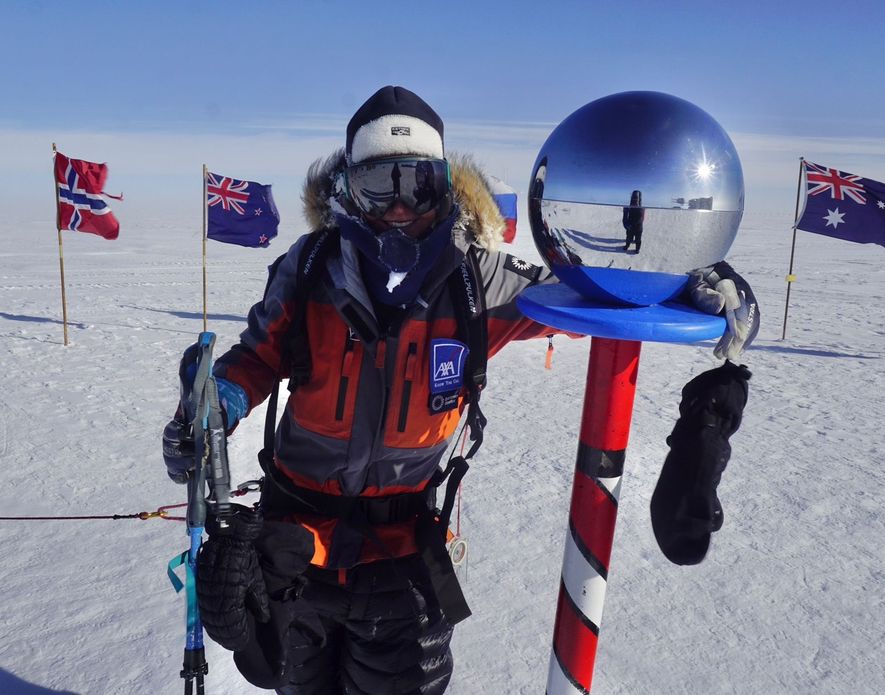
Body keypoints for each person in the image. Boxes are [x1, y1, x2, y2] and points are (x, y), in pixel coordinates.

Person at [162, 85, 759, 694]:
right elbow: (257, 356)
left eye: (416, 184)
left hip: (400, 550)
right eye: (378, 185)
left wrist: (692, 281)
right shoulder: (310, 268)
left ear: (444, 185)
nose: (399, 208)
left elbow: (582, 294)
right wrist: (220, 401)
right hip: (295, 544)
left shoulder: (476, 280)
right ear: (347, 188)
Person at [622, 189, 645, 253]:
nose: (635, 200)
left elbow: (642, 217)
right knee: (629, 238)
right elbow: (625, 217)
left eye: (636, 199)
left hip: (637, 227)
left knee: (638, 239)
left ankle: (637, 249)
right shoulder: (630, 206)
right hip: (631, 225)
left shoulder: (641, 208)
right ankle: (627, 245)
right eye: (634, 199)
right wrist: (626, 224)